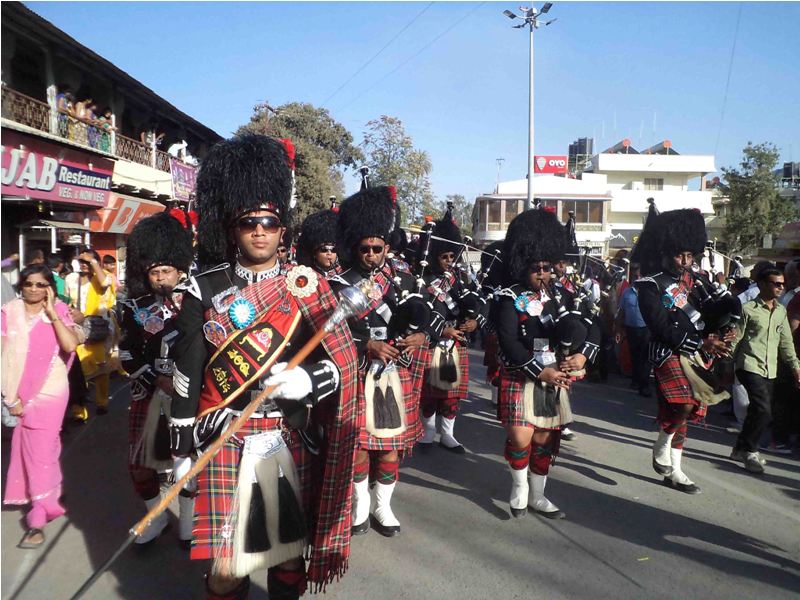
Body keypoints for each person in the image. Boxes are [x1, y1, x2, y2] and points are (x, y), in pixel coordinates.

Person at [169, 134, 359, 599]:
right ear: (232, 229)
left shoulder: (306, 284)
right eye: (248, 222)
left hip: (288, 437)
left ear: (282, 228)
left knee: (289, 557)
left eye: (269, 222)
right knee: (228, 566)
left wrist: (307, 380)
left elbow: (342, 362)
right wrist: (179, 449)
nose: (259, 230)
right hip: (223, 433)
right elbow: (188, 372)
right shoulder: (205, 288)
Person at [329, 185, 432, 537]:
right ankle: (359, 505)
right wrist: (367, 344)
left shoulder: (404, 280)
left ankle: (382, 506)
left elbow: (432, 315)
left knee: (389, 449)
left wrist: (424, 335)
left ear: (387, 247)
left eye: (378, 248)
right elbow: (327, 330)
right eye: (365, 248)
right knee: (359, 447)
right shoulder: (337, 284)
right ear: (354, 247)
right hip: (358, 370)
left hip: (394, 372)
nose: (372, 255)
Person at [494, 209, 600, 519]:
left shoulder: (564, 296)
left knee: (543, 439)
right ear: (521, 265)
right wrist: (541, 371)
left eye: (546, 267)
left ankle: (538, 493)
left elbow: (593, 327)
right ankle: (519, 486)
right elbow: (508, 341)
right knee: (519, 436)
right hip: (522, 372)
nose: (542, 273)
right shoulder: (508, 297)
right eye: (535, 268)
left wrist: (583, 356)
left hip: (554, 374)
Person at [632, 207, 738, 494]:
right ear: (666, 252)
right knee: (684, 404)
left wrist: (727, 321)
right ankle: (662, 443)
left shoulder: (696, 281)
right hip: (667, 351)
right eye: (681, 255)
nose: (686, 261)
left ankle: (676, 470)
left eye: (690, 256)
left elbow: (707, 313)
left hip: (697, 352)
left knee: (686, 413)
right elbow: (660, 326)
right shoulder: (649, 285)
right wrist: (702, 343)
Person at [118, 212, 195, 546]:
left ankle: (189, 523)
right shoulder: (135, 308)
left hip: (188, 396)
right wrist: (153, 379)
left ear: (180, 268)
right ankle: (157, 516)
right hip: (149, 396)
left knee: (188, 465)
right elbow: (126, 354)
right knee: (140, 467)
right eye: (155, 272)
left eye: (167, 270)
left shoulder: (196, 304)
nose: (162, 278)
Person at [2, 264, 79, 548]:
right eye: (28, 284)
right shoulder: (8, 312)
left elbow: (70, 346)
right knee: (39, 448)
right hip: (17, 390)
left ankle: (37, 515)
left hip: (51, 389)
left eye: (40, 284)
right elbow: (2, 355)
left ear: (49, 287)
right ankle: (51, 487)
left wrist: (52, 316)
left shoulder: (58, 311)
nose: (33, 289)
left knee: (40, 449)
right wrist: (9, 397)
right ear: (21, 285)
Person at [418, 207, 486, 453]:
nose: (449, 262)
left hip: (456, 343)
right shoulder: (423, 280)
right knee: (429, 394)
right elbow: (419, 316)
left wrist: (475, 320)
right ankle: (427, 431)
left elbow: (479, 302)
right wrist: (443, 331)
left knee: (451, 396)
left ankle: (448, 434)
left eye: (452, 257)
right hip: (434, 341)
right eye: (445, 256)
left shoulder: (461, 279)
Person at [729, 267, 800, 473]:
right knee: (763, 409)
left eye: (782, 284)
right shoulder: (748, 309)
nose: (780, 287)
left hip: (771, 368)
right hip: (749, 365)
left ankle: (739, 448)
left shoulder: (780, 312)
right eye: (775, 283)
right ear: (762, 285)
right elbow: (736, 339)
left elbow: (786, 343)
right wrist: (725, 364)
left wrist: (796, 368)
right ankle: (751, 452)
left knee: (756, 410)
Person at [66, 249, 117, 416]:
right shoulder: (71, 279)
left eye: (89, 261)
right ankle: (79, 410)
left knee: (100, 369)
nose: (85, 264)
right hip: (76, 328)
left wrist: (93, 262)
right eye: (82, 261)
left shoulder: (102, 278)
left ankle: (102, 402)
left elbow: (104, 284)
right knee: (77, 369)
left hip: (97, 329)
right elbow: (66, 301)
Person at [616, 263, 652, 397]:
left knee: (646, 357)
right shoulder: (627, 292)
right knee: (635, 355)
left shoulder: (650, 292)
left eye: (639, 275)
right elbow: (621, 311)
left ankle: (645, 384)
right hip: (631, 329)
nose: (637, 278)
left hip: (646, 329)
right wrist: (619, 330)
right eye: (634, 275)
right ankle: (636, 380)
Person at [296, 209, 340, 279]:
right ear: (314, 253)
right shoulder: (305, 277)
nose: (329, 253)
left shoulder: (346, 276)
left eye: (334, 249)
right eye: (324, 249)